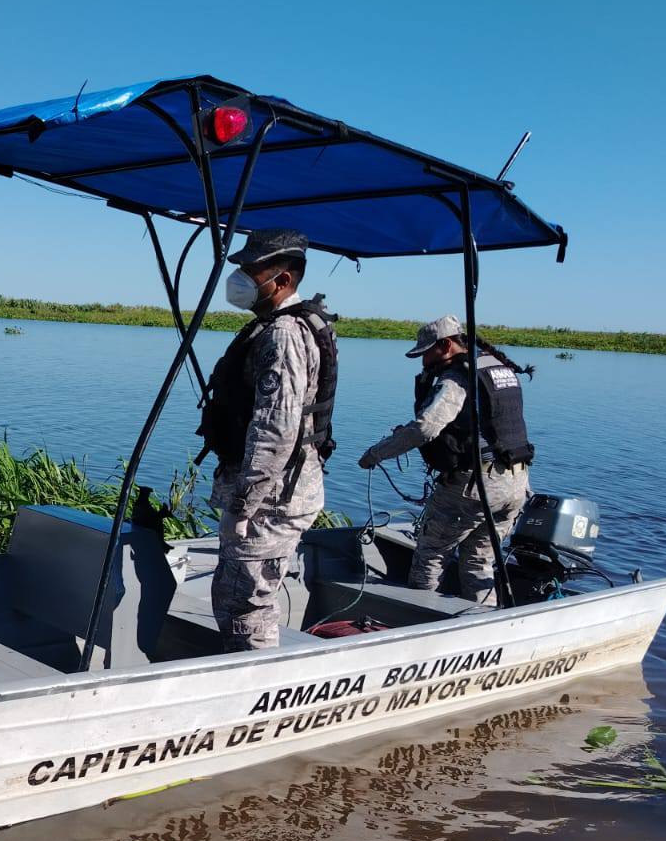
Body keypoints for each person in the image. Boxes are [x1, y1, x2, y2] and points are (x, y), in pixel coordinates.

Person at [199, 228, 339, 650]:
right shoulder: (274, 327)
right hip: (273, 492)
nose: (241, 278)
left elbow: (276, 428)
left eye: (252, 271)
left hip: (272, 499)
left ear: (283, 280)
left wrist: (243, 505)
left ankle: (253, 697)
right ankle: (239, 678)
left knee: (247, 607)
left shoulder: (283, 335)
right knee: (235, 598)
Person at [358, 315, 534, 603]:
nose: (423, 360)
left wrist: (376, 454)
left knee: (429, 555)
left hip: (475, 486)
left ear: (446, 344)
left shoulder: (456, 377)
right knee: (480, 562)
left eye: (426, 352)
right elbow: (483, 425)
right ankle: (481, 625)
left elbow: (426, 427)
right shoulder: (497, 369)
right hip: (516, 482)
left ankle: (417, 620)